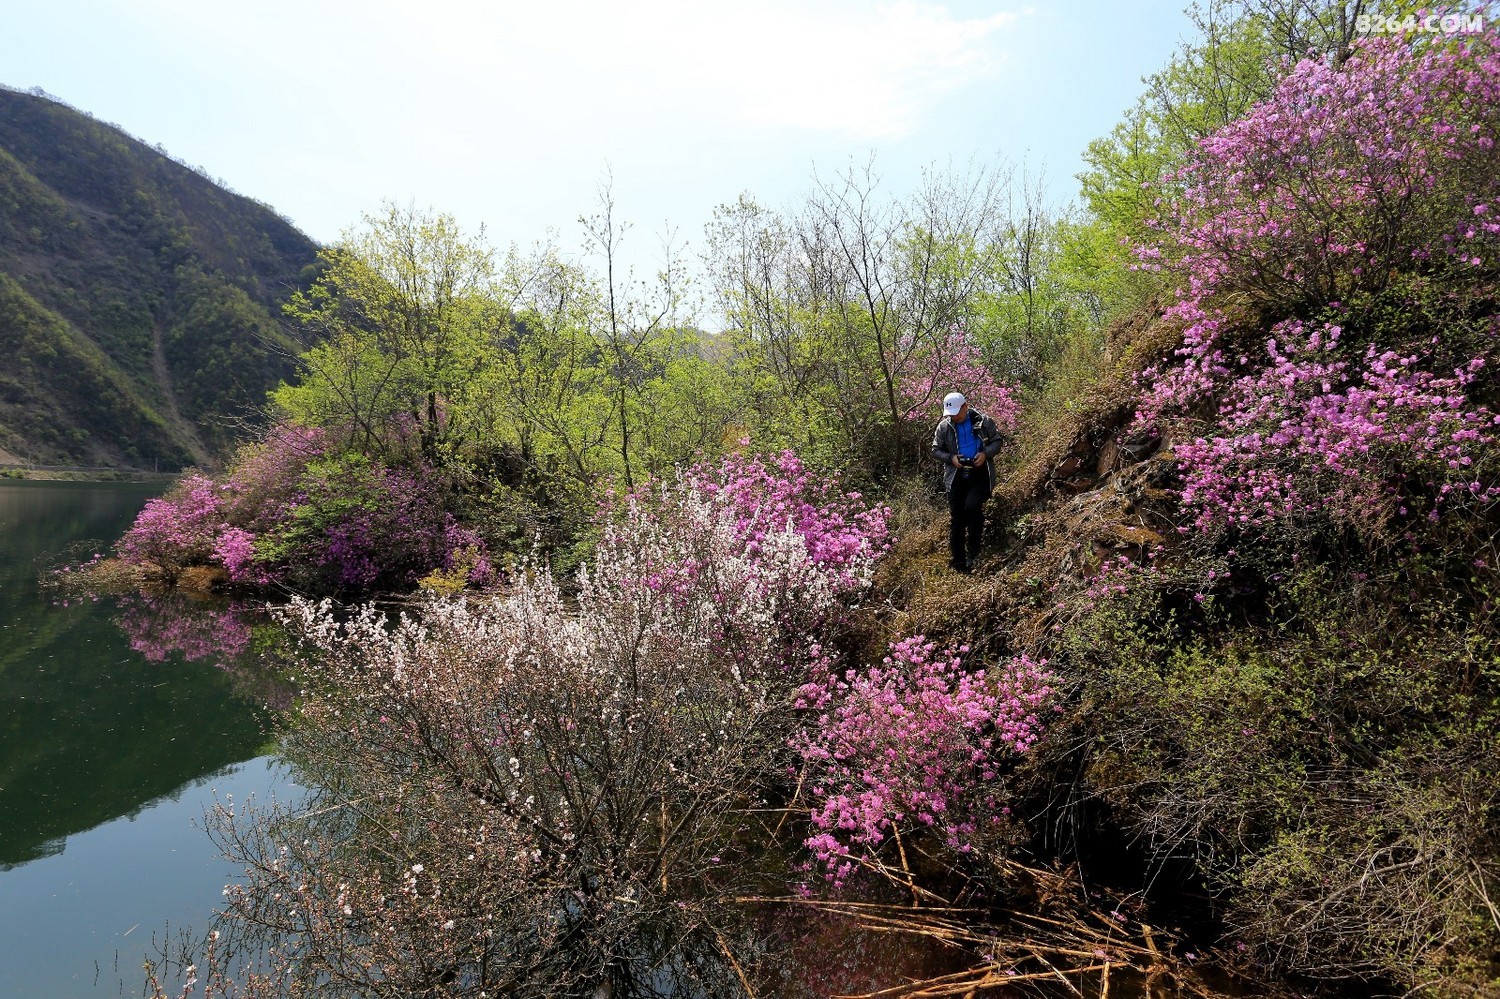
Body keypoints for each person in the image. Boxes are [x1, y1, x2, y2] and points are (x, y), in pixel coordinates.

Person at [931, 391, 1003, 573]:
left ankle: (974, 552)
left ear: (965, 406)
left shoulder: (984, 422)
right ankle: (959, 562)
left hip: (980, 474)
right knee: (957, 518)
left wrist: (985, 454)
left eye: (956, 412)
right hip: (956, 475)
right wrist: (952, 458)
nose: (954, 417)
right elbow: (935, 450)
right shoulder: (944, 427)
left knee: (972, 506)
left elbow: (997, 442)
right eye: (951, 414)